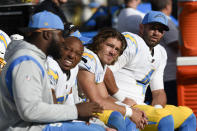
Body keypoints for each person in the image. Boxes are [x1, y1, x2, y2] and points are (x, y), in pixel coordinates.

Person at [0, 11, 105, 131]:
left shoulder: (34, 58)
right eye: (60, 35)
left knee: (98, 127)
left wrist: (78, 114)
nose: (62, 41)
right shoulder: (26, 61)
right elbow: (30, 111)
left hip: (36, 126)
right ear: (47, 35)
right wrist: (76, 111)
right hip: (25, 128)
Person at [105, 11, 196, 131]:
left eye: (161, 30)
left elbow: (158, 92)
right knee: (165, 120)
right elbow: (104, 70)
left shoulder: (161, 52)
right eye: (153, 28)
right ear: (142, 27)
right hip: (119, 104)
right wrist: (121, 98)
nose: (156, 33)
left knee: (188, 116)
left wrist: (156, 110)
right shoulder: (131, 42)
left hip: (141, 106)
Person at [77, 28, 148, 130]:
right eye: (110, 46)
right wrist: (130, 112)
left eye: (117, 49)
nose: (113, 52)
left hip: (83, 110)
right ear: (99, 43)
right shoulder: (89, 58)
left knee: (129, 121)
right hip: (69, 111)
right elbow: (97, 101)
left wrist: (131, 110)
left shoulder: (100, 62)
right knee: (117, 118)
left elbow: (104, 97)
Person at [150, 0, 180, 106]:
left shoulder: (152, 20)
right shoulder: (166, 21)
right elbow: (177, 45)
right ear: (168, 6)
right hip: (169, 76)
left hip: (162, 75)